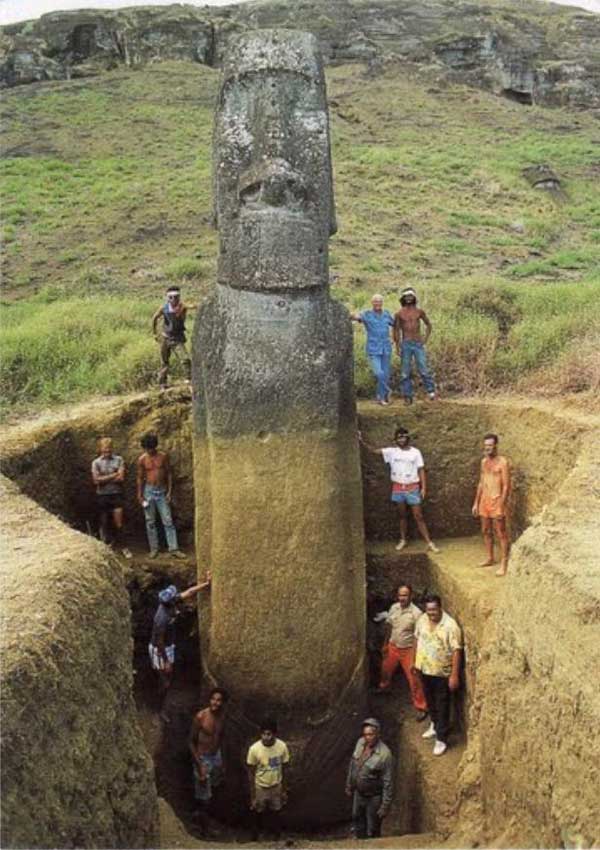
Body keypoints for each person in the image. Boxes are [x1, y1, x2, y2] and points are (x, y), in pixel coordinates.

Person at [359, 426, 440, 553]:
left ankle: (429, 542)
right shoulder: (392, 452)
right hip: (398, 487)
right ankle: (403, 540)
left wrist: (423, 487)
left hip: (412, 487)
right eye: (399, 438)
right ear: (395, 440)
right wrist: (360, 440)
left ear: (408, 438)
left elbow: (421, 469)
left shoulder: (415, 452)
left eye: (403, 437)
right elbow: (374, 451)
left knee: (418, 516)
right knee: (402, 515)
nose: (401, 440)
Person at [149, 576, 211, 719]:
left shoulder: (171, 603)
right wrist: (166, 661)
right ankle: (160, 708)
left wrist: (205, 585)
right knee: (165, 680)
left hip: (168, 645)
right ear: (168, 601)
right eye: (174, 595)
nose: (177, 596)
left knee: (167, 677)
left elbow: (189, 592)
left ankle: (162, 692)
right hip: (160, 650)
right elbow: (159, 642)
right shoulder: (161, 619)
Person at [414, 594, 462, 757]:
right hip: (425, 668)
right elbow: (417, 639)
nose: (431, 613)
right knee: (430, 700)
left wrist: (454, 675)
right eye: (428, 610)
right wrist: (415, 662)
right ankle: (434, 725)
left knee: (442, 705)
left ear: (440, 608)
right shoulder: (422, 620)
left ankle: (441, 739)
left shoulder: (450, 626)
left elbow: (456, 651)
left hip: (442, 673)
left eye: (434, 609)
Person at [373, 584, 428, 720]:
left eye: (405, 595)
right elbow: (390, 627)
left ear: (411, 596)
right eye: (400, 595)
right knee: (385, 669)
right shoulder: (394, 608)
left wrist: (416, 656)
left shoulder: (416, 614)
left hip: (408, 650)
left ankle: (421, 706)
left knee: (414, 678)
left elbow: (420, 637)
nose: (402, 598)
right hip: (393, 646)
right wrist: (385, 644)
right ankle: (384, 688)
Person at [136, 432, 186, 560]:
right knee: (150, 521)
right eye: (147, 449)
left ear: (155, 446)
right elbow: (140, 478)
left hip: (161, 491)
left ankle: (174, 549)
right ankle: (154, 549)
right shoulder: (142, 459)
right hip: (149, 491)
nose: (150, 451)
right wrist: (140, 495)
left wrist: (169, 491)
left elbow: (169, 474)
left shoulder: (163, 457)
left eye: (151, 448)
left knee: (168, 520)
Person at [345, 717, 393, 839]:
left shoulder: (385, 754)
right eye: (365, 734)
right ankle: (360, 841)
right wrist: (349, 784)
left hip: (374, 797)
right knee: (357, 820)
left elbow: (388, 782)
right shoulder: (360, 742)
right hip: (358, 794)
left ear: (377, 734)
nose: (367, 737)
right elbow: (353, 764)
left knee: (373, 827)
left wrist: (384, 806)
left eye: (370, 734)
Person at [189, 688, 229, 832]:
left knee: (214, 789)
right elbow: (191, 742)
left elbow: (221, 739)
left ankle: (203, 817)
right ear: (209, 700)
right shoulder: (201, 717)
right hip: (203, 758)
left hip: (215, 757)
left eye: (219, 700)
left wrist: (222, 760)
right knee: (204, 793)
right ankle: (204, 828)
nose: (215, 703)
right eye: (213, 699)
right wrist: (199, 765)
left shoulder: (222, 717)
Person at [472, 433, 511, 577]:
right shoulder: (483, 462)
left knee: (501, 532)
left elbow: (506, 486)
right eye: (486, 445)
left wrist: (502, 504)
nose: (487, 448)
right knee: (486, 530)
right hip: (485, 500)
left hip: (497, 500)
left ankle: (504, 563)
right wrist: (476, 502)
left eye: (490, 445)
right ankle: (490, 557)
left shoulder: (503, 462)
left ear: (496, 445)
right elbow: (481, 483)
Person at [246, 718, 290, 841]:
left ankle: (275, 835)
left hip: (276, 785)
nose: (266, 737)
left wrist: (284, 790)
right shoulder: (254, 749)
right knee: (257, 811)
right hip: (260, 786)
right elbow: (251, 772)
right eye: (264, 734)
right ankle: (255, 836)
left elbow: (285, 769)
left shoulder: (282, 747)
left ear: (274, 734)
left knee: (276, 811)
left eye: (269, 734)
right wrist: (253, 794)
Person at [393, 287, 436, 404]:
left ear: (414, 298)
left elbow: (429, 325)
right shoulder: (399, 313)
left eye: (410, 296)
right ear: (403, 298)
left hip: (417, 344)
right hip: (406, 344)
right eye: (406, 296)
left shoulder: (419, 312)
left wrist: (425, 339)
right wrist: (397, 346)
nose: (408, 299)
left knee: (423, 369)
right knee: (405, 372)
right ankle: (408, 396)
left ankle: (431, 391)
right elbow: (396, 330)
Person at [91, 437, 131, 559]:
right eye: (104, 450)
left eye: (108, 450)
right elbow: (96, 480)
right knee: (104, 522)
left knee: (118, 523)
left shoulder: (119, 459)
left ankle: (124, 548)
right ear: (100, 449)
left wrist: (104, 478)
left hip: (116, 495)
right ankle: (106, 547)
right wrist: (114, 475)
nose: (106, 452)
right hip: (102, 496)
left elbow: (121, 478)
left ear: (112, 448)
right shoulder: (96, 462)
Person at [351, 294, 395, 405]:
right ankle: (388, 391)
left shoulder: (386, 314)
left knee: (385, 374)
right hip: (373, 348)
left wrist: (394, 338)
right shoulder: (367, 314)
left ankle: (381, 398)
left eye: (379, 301)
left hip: (386, 348)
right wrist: (348, 314)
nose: (377, 303)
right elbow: (356, 317)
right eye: (375, 301)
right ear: (372, 303)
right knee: (379, 373)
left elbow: (396, 324)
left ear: (382, 302)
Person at [152, 285, 192, 389]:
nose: (174, 299)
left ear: (179, 297)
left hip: (177, 338)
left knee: (185, 359)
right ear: (167, 298)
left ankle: (189, 379)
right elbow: (154, 318)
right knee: (164, 362)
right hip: (165, 338)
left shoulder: (182, 307)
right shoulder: (164, 308)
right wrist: (155, 333)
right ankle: (162, 384)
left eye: (176, 297)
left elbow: (192, 306)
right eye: (171, 297)